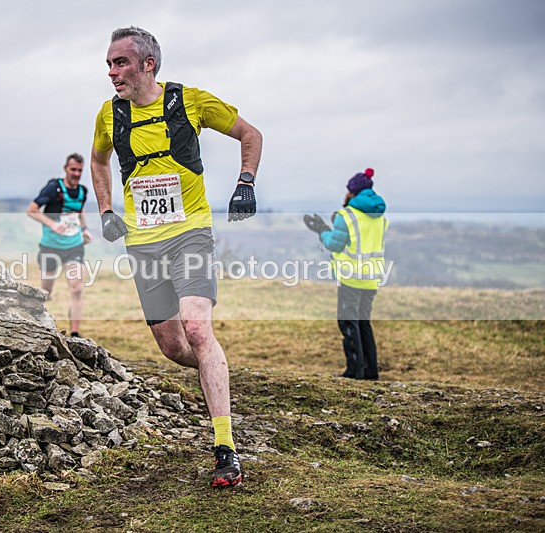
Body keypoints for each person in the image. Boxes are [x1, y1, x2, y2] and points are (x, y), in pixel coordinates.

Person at [90, 26, 262, 488]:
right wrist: (106, 210)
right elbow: (99, 160)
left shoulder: (190, 101)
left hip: (190, 234)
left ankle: (225, 447)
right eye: (109, 64)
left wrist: (245, 182)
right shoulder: (109, 114)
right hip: (143, 243)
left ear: (148, 64)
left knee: (197, 328)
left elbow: (250, 134)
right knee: (173, 347)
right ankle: (214, 369)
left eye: (121, 63)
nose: (112, 73)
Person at [304, 168, 388, 380]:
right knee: (363, 323)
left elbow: (334, 244)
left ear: (353, 191)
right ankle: (370, 371)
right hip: (372, 277)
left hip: (351, 277)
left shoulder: (348, 215)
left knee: (348, 322)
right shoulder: (379, 216)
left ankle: (354, 371)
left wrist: (322, 231)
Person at [27, 153, 93, 338]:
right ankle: (39, 327)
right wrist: (52, 224)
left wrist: (85, 229)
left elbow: (79, 211)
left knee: (77, 288)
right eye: (73, 169)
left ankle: (75, 334)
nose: (76, 174)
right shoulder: (53, 188)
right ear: (65, 169)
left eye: (80, 170)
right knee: (46, 292)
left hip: (74, 246)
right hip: (50, 247)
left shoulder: (83, 191)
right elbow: (32, 210)